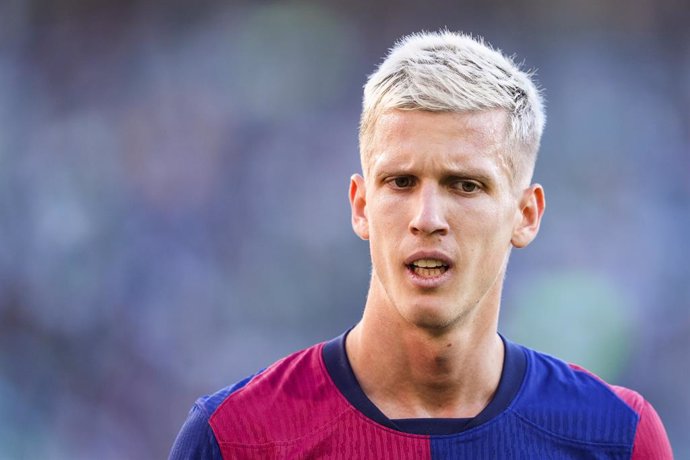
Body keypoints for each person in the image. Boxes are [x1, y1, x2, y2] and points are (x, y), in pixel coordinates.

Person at [169, 30, 673, 459]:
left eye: (464, 185)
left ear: (526, 215)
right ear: (361, 205)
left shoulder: (616, 438)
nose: (427, 219)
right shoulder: (234, 438)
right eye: (401, 182)